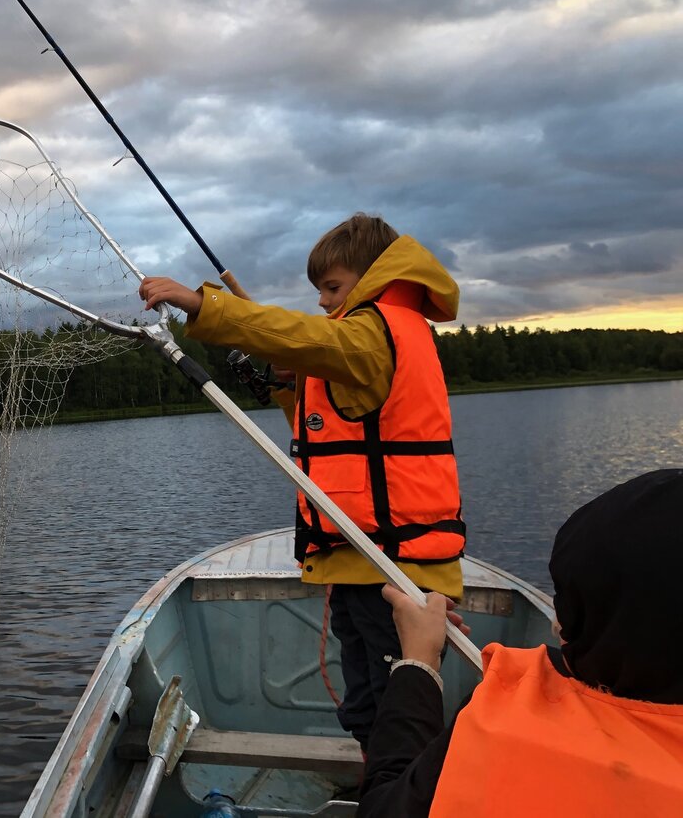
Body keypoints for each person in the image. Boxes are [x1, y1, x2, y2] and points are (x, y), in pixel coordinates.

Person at [139, 213, 465, 753]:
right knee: (366, 708)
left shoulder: (374, 333)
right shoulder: (356, 341)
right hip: (358, 563)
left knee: (399, 712)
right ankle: (376, 787)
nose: (321, 302)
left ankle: (403, 796)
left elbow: (302, 335)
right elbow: (328, 434)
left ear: (371, 279)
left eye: (332, 288)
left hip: (394, 568)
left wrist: (206, 305)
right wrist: (292, 387)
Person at [359, 468, 683, 817]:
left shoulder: (505, 720)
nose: (557, 620)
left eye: (569, 601)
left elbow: (384, 809)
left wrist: (417, 665)